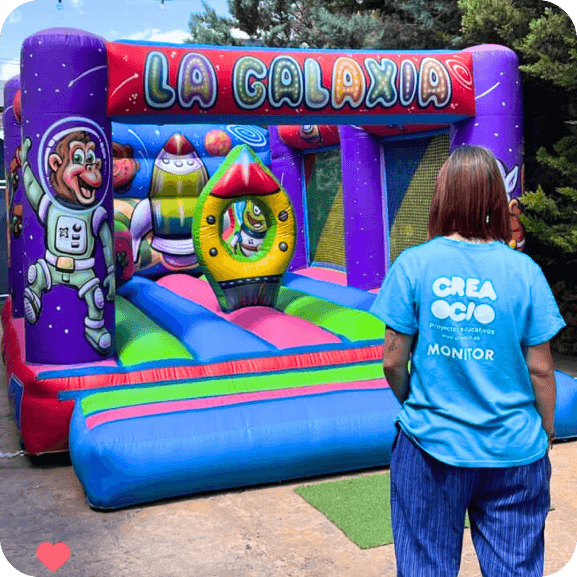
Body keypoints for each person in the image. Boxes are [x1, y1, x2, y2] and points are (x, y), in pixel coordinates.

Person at [369, 145, 566, 577]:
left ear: (442, 197)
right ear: (497, 198)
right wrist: (546, 431)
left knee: (426, 568)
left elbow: (391, 361)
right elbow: (541, 369)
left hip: (429, 446)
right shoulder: (524, 270)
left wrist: (414, 402)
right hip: (515, 452)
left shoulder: (413, 265)